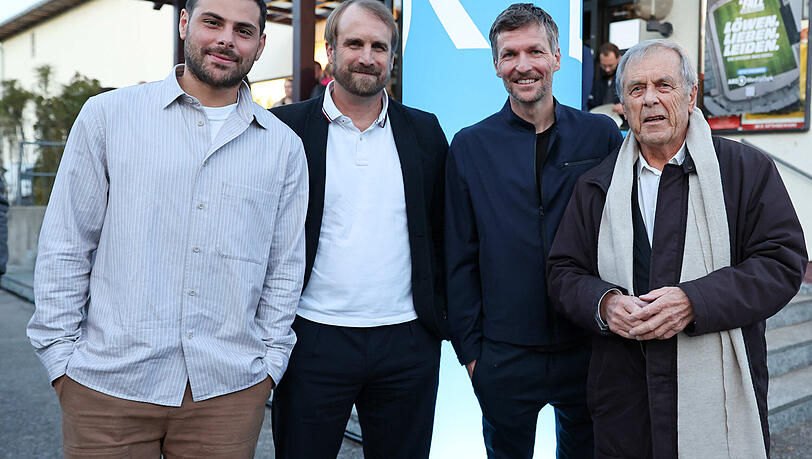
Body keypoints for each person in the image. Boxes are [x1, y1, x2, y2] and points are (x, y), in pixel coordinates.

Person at [27, 0, 308, 457]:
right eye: (212, 22)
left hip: (227, 392)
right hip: (107, 386)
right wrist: (61, 359)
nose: (225, 39)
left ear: (260, 44)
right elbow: (67, 242)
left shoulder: (284, 148)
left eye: (242, 30)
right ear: (184, 24)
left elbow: (284, 267)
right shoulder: (108, 117)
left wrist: (269, 366)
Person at [547, 39, 807, 458]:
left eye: (663, 85)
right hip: (625, 403)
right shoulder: (597, 185)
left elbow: (782, 261)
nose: (649, 99)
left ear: (690, 96)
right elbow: (563, 272)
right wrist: (605, 303)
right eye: (636, 89)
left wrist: (694, 301)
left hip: (716, 405)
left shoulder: (744, 170)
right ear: (623, 107)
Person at [269, 1, 448, 458]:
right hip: (311, 336)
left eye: (379, 47)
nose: (367, 57)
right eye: (354, 44)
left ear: (392, 57)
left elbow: (442, 230)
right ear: (330, 51)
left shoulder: (425, 132)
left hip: (407, 341)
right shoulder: (285, 129)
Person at [445, 3, 622, 458]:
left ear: (557, 58)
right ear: (496, 65)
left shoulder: (600, 135)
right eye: (510, 54)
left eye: (535, 51)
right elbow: (459, 252)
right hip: (502, 354)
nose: (523, 65)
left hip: (586, 343)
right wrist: (472, 354)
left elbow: (622, 230)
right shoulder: (469, 146)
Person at [587, 42, 622, 116]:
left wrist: (625, 108)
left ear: (619, 59)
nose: (607, 69)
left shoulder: (626, 77)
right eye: (603, 65)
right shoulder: (596, 76)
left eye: (610, 65)